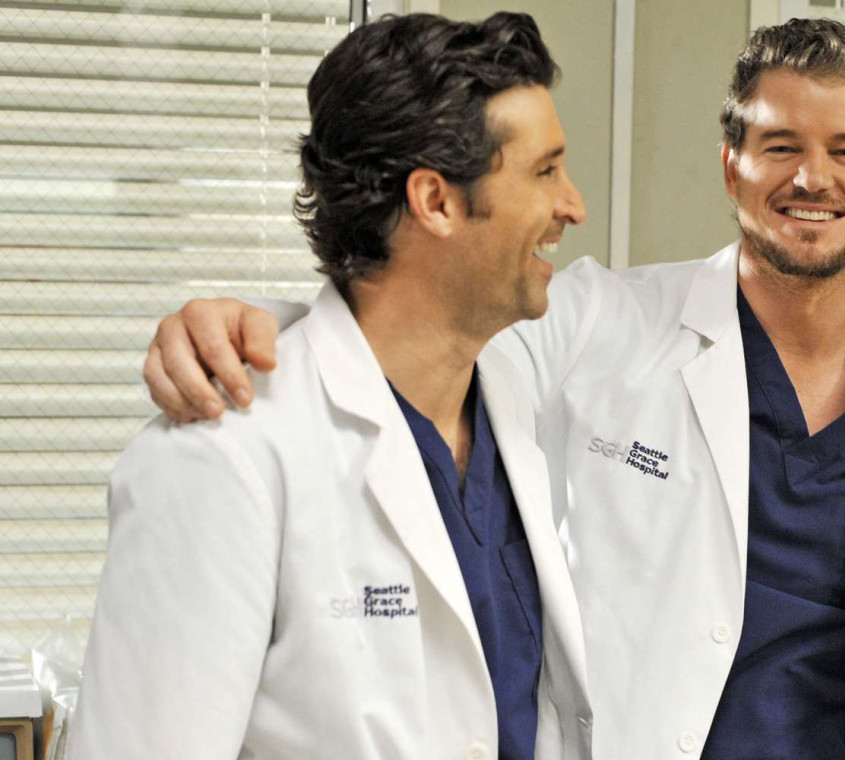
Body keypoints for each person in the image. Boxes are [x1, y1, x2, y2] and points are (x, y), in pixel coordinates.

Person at [140, 18, 845, 760]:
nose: (811, 178)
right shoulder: (601, 321)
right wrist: (252, 328)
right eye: (779, 146)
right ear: (731, 166)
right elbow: (419, 324)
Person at [70, 13, 593, 760]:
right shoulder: (224, 457)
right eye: (545, 172)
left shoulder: (509, 398)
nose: (573, 206)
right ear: (435, 201)